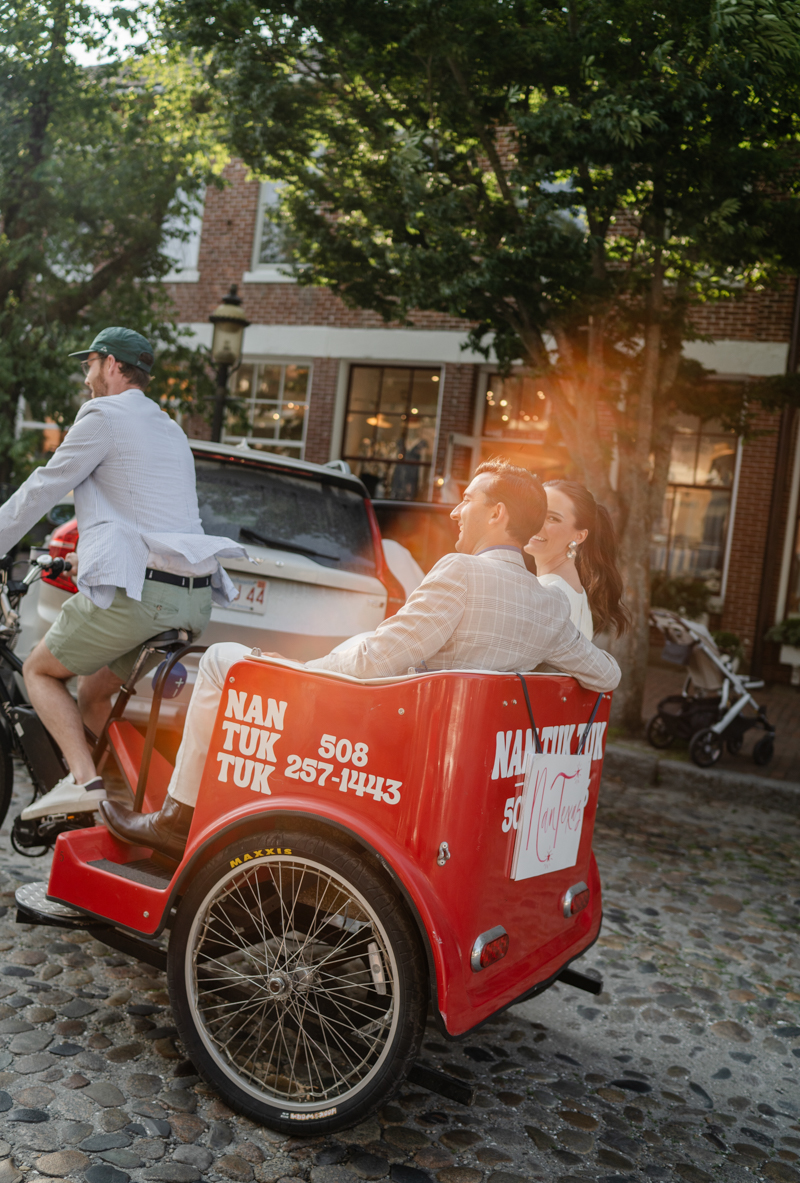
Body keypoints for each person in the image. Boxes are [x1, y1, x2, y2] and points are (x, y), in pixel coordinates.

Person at [100, 457, 622, 859]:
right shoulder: (548, 604)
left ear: (497, 513)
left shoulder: (461, 571)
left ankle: (176, 817)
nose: (457, 511)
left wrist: (299, 670)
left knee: (219, 661)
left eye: (467, 500)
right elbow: (606, 673)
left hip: (384, 743)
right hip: (450, 752)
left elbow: (378, 658)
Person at [0, 327, 245, 819]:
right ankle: (152, 812)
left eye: (88, 364)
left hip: (144, 597)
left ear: (111, 365)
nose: (85, 376)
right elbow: (147, 514)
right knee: (92, 694)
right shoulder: (169, 427)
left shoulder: (103, 416)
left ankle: (83, 782)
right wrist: (79, 559)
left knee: (39, 670)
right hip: (192, 599)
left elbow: (41, 489)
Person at [525, 478, 630, 641]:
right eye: (536, 512)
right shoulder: (574, 591)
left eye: (552, 518)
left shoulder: (550, 593)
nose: (536, 523)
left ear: (579, 536)